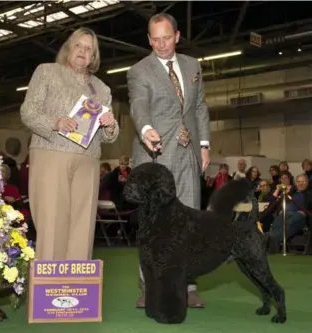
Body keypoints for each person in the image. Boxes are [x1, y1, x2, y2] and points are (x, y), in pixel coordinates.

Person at [127, 13, 210, 309]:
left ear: (177, 36)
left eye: (166, 38)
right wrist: (146, 129)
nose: (161, 45)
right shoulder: (140, 71)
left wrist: (203, 144)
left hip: (189, 153)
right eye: (155, 39)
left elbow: (199, 106)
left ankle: (187, 287)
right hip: (155, 152)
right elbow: (138, 104)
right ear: (149, 40)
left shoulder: (192, 66)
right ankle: (150, 287)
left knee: (188, 221)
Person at [20, 27, 119, 261]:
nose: (83, 52)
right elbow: (28, 111)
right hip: (51, 153)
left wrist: (111, 125)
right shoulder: (46, 72)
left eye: (89, 49)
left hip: (89, 160)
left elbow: (108, 136)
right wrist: (55, 122)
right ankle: (48, 294)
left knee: (82, 228)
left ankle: (77, 292)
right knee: (53, 225)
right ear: (68, 48)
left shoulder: (102, 89)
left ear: (94, 57)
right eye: (79, 46)